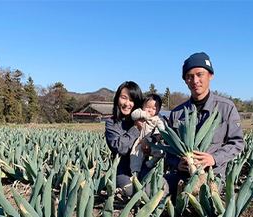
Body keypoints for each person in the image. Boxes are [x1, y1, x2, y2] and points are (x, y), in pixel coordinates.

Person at [164, 52, 245, 195]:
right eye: (189, 76)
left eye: (200, 74)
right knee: (150, 187)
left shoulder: (226, 108)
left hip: (212, 176)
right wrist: (177, 163)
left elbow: (237, 143)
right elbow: (168, 148)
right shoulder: (177, 113)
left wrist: (214, 158)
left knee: (204, 201)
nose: (195, 80)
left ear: (210, 76)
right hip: (183, 175)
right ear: (185, 81)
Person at [105, 81, 144, 195]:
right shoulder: (111, 123)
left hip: (145, 168)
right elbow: (120, 148)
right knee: (130, 191)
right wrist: (136, 128)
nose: (127, 103)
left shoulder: (145, 119)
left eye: (131, 100)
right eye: (124, 98)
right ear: (117, 99)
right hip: (123, 171)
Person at [129, 94, 165, 178]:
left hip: (152, 142)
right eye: (147, 107)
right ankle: (135, 172)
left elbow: (161, 126)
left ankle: (153, 161)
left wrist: (157, 135)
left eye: (154, 108)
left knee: (160, 150)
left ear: (159, 109)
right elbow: (133, 115)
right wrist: (144, 115)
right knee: (135, 154)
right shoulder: (140, 113)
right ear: (143, 106)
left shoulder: (158, 118)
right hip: (140, 141)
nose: (150, 110)